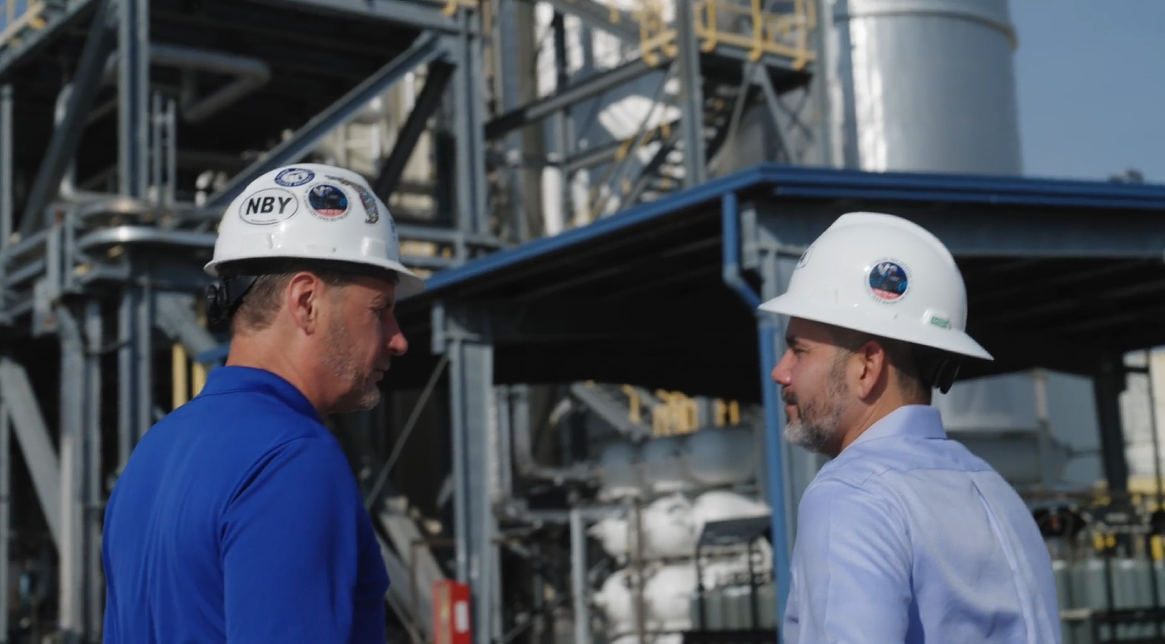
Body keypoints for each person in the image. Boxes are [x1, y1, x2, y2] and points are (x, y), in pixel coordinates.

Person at [101, 163, 425, 643]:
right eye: (380, 310)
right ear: (306, 302)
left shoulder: (153, 451)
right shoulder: (294, 458)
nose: (398, 340)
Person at [758, 212, 1061, 643]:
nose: (781, 372)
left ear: (867, 366)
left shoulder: (851, 495)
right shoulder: (995, 491)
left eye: (799, 350)